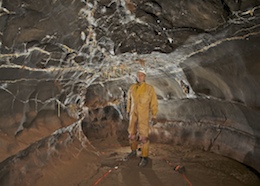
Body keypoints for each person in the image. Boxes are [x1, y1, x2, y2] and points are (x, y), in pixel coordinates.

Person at [126, 68, 158, 167]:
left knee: (144, 136)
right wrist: (128, 111)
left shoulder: (149, 88)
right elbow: (129, 100)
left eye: (142, 75)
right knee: (131, 134)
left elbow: (154, 102)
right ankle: (133, 151)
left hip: (143, 115)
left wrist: (154, 115)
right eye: (138, 75)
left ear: (145, 77)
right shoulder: (132, 88)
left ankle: (144, 156)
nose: (140, 77)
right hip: (133, 114)